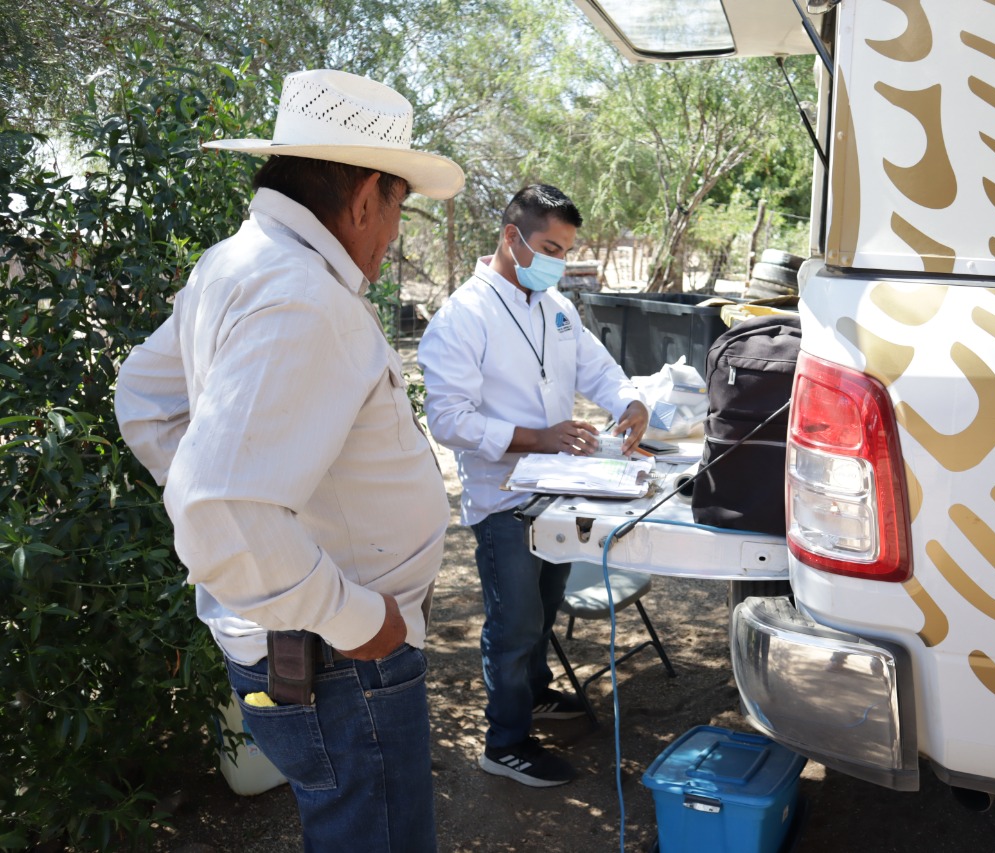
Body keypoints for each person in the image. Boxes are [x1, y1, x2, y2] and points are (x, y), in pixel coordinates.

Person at [114, 69, 464, 850]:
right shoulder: (302, 294)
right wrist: (355, 616)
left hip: (304, 648)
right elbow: (220, 505)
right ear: (368, 195)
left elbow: (142, 398)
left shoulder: (236, 265)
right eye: (398, 207)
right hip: (342, 661)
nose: (395, 232)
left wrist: (265, 526)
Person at [418, 184, 648, 787]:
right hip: (506, 502)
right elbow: (449, 421)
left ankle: (536, 694)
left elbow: (596, 367)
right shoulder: (462, 316)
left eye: (565, 251)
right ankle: (506, 742)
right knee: (514, 623)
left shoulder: (555, 307)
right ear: (510, 236)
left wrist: (629, 401)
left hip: (559, 495)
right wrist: (538, 436)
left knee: (543, 610)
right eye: (549, 247)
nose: (558, 262)